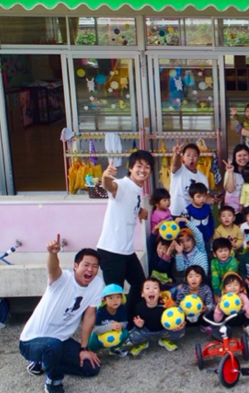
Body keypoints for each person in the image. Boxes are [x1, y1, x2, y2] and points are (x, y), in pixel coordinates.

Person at [20, 238, 102, 392]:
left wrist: (84, 348)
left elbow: (89, 316)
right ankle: (53, 382)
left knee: (91, 367)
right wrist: (52, 253)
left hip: (61, 341)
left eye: (95, 266)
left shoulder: (97, 284)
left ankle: (45, 362)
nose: (90, 270)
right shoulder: (63, 279)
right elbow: (53, 269)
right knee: (52, 345)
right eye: (86, 265)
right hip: (32, 341)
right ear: (75, 266)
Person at [97, 151, 153, 321]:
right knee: (115, 295)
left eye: (147, 166)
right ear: (130, 168)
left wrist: (140, 212)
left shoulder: (136, 190)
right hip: (111, 251)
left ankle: (128, 321)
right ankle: (110, 332)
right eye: (139, 166)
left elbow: (128, 206)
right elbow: (110, 187)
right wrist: (105, 177)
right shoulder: (124, 184)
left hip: (127, 251)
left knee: (140, 284)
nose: (143, 170)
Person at [128, 277, 186, 355]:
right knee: (132, 336)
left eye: (155, 288)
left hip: (164, 330)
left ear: (160, 293)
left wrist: (178, 325)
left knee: (181, 331)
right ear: (142, 293)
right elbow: (138, 324)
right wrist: (139, 325)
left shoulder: (165, 306)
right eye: (147, 288)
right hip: (147, 331)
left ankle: (165, 340)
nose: (151, 290)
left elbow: (175, 318)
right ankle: (143, 343)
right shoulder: (139, 307)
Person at [87, 284, 129, 357]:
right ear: (105, 300)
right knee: (92, 339)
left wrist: (121, 325)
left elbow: (125, 322)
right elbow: (94, 329)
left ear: (122, 298)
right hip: (101, 335)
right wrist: (110, 326)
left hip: (115, 334)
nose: (115, 300)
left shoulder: (122, 309)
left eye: (118, 297)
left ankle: (115, 349)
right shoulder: (100, 313)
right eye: (111, 298)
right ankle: (93, 353)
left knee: (125, 333)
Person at [169, 143, 209, 217]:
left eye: (194, 155)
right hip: (176, 213)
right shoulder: (179, 170)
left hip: (194, 215)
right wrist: (176, 154)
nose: (191, 158)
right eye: (188, 155)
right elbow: (175, 164)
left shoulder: (203, 177)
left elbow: (206, 196)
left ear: (198, 158)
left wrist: (214, 199)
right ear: (183, 157)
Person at [213, 272, 249, 336]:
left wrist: (243, 305)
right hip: (228, 321)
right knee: (222, 322)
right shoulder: (223, 299)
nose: (232, 287)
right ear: (224, 289)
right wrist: (219, 308)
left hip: (241, 319)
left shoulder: (242, 296)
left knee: (247, 316)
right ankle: (225, 329)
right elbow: (216, 319)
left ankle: (247, 326)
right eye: (229, 285)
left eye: (236, 285)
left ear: (241, 288)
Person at [223, 144, 249, 213]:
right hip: (233, 210)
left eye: (245, 155)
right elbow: (230, 190)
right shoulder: (230, 171)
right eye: (239, 156)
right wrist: (230, 172)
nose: (242, 158)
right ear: (235, 158)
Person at [181, 182, 214, 255]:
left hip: (206, 239)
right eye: (199, 196)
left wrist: (211, 233)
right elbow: (182, 226)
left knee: (207, 255)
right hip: (193, 241)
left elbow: (211, 220)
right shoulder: (187, 211)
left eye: (204, 196)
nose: (202, 199)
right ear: (191, 197)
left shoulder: (208, 207)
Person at [210, 238, 239, 304]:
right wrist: (216, 293)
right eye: (220, 251)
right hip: (219, 283)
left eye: (226, 250)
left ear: (230, 251)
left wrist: (221, 292)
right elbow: (215, 277)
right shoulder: (213, 262)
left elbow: (226, 277)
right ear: (214, 254)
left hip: (231, 282)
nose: (223, 253)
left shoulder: (234, 262)